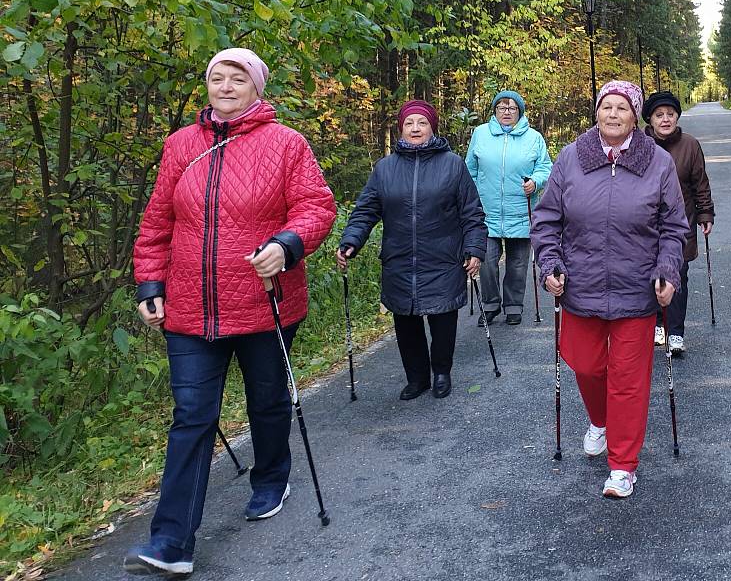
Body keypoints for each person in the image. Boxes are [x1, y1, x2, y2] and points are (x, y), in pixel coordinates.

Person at [127, 48, 336, 578]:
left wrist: (288, 244)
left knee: (267, 402)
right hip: (191, 312)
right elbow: (157, 223)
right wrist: (150, 282)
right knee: (193, 417)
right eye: (216, 77)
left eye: (236, 77)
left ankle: (270, 477)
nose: (224, 85)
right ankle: (171, 541)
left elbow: (317, 207)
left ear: (256, 88)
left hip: (265, 305)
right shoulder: (180, 145)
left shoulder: (286, 144)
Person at [531, 80, 689, 499]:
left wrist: (667, 271)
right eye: (607, 107)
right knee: (585, 365)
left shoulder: (657, 162)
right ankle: (599, 421)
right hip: (580, 287)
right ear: (596, 113)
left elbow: (674, 227)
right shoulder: (571, 158)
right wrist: (550, 264)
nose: (614, 114)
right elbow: (546, 221)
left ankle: (622, 465)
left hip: (637, 291)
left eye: (622, 107)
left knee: (628, 380)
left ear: (636, 117)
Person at [337, 100, 486, 401]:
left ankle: (441, 372)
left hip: (443, 257)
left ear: (432, 127)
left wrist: (474, 249)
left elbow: (472, 213)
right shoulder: (385, 168)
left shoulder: (452, 165)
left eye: (422, 123)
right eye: (409, 123)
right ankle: (417, 378)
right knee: (406, 321)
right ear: (401, 128)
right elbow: (366, 210)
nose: (415, 128)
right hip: (400, 259)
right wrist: (351, 240)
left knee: (443, 318)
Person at [465, 90, 553, 326]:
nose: (506, 112)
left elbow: (546, 167)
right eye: (502, 107)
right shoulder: (480, 134)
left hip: (521, 210)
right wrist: (471, 196)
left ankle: (514, 306)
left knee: (518, 263)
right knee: (487, 261)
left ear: (520, 112)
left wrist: (535, 182)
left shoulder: (534, 137)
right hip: (486, 211)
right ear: (494, 111)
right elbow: (469, 170)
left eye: (512, 108)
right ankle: (490, 305)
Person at [642, 90, 715, 354]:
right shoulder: (639, 145)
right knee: (649, 274)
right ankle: (657, 324)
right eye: (659, 115)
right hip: (646, 225)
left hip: (681, 222)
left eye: (670, 114)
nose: (665, 120)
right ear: (650, 119)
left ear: (677, 117)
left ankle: (675, 331)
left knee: (677, 276)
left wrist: (706, 214)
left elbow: (700, 184)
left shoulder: (690, 145)